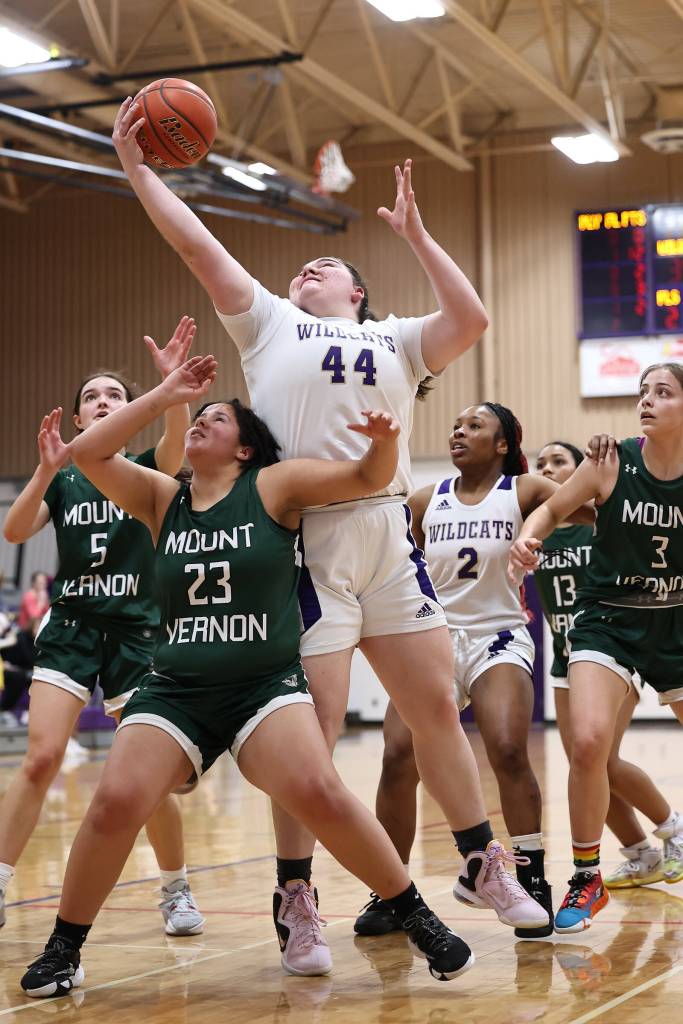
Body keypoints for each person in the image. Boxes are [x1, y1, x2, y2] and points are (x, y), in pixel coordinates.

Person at [112, 99, 548, 973]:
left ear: (357, 294)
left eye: (332, 265)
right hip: (302, 541)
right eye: (305, 264)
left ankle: (478, 861)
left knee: (432, 708)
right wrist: (138, 169)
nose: (310, 265)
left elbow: (469, 321)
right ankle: (296, 894)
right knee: (302, 732)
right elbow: (196, 243)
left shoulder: (395, 338)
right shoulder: (266, 319)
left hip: (386, 533)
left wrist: (419, 234)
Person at [21, 356, 478, 998]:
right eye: (199, 417)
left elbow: (367, 476)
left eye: (215, 418)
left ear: (244, 447)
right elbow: (87, 454)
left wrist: (387, 442)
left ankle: (417, 916)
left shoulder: (272, 486)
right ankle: (64, 946)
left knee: (320, 789)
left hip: (262, 685)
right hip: (176, 689)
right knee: (115, 803)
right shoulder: (161, 496)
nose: (201, 424)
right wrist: (166, 394)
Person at [353, 403, 594, 942]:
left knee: (507, 747)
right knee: (396, 756)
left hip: (499, 635)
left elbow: (588, 509)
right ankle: (391, 894)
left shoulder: (525, 490)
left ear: (503, 442)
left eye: (474, 426)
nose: (459, 432)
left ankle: (530, 877)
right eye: (456, 425)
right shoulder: (424, 499)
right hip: (432, 639)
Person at [1, 317, 204, 937]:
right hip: (72, 627)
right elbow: (13, 532)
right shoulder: (63, 481)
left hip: (138, 632)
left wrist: (173, 386)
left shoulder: (145, 467)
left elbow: (176, 443)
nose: (103, 402)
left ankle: (175, 889)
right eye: (93, 396)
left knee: (144, 774)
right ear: (80, 415)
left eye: (114, 395)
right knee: (40, 759)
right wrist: (43, 468)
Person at [509, 362, 683, 933]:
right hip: (607, 620)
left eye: (663, 392)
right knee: (586, 744)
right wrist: (528, 538)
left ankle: (666, 838)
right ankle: (586, 878)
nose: (647, 401)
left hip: (676, 621)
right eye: (643, 392)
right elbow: (553, 508)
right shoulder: (611, 461)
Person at [534, 440, 683, 890]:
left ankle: (673, 830)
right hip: (567, 654)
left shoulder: (598, 520)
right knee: (588, 762)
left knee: (602, 759)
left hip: (618, 640)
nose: (548, 469)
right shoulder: (538, 528)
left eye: (559, 461)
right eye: (541, 463)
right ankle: (640, 853)